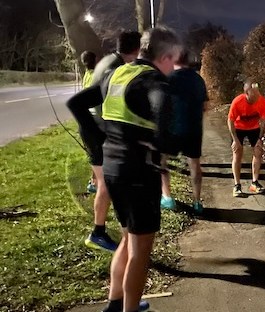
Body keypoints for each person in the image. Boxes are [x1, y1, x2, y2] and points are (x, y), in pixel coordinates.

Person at [67, 26, 181, 312]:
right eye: (174, 60)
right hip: (140, 173)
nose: (174, 67)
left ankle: (115, 303)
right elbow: (169, 137)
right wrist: (164, 142)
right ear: (165, 56)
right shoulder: (155, 83)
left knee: (129, 237)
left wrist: (99, 135)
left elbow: (77, 103)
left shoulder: (116, 74)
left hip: (113, 167)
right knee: (141, 250)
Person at [70, 31, 142, 253]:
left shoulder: (110, 60)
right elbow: (102, 102)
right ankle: (99, 233)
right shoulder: (115, 68)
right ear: (137, 50)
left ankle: (101, 232)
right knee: (106, 183)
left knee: (105, 182)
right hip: (98, 129)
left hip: (93, 127)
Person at [160, 50, 208, 213]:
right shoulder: (198, 79)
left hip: (172, 129)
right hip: (194, 128)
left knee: (161, 161)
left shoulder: (168, 79)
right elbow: (204, 106)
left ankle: (167, 198)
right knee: (194, 164)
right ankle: (197, 201)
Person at [227, 80, 265, 197]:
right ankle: (237, 185)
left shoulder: (263, 101)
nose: (257, 96)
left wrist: (260, 139)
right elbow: (230, 121)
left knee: (258, 151)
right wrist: (235, 140)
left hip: (254, 128)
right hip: (238, 128)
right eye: (254, 94)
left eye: (258, 93)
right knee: (237, 153)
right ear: (246, 93)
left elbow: (263, 121)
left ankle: (254, 183)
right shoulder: (237, 102)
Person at [81, 50, 98, 194]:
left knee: (93, 152)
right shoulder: (95, 76)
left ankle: (94, 181)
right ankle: (95, 181)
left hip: (86, 118)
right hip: (96, 118)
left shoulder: (86, 75)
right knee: (98, 152)